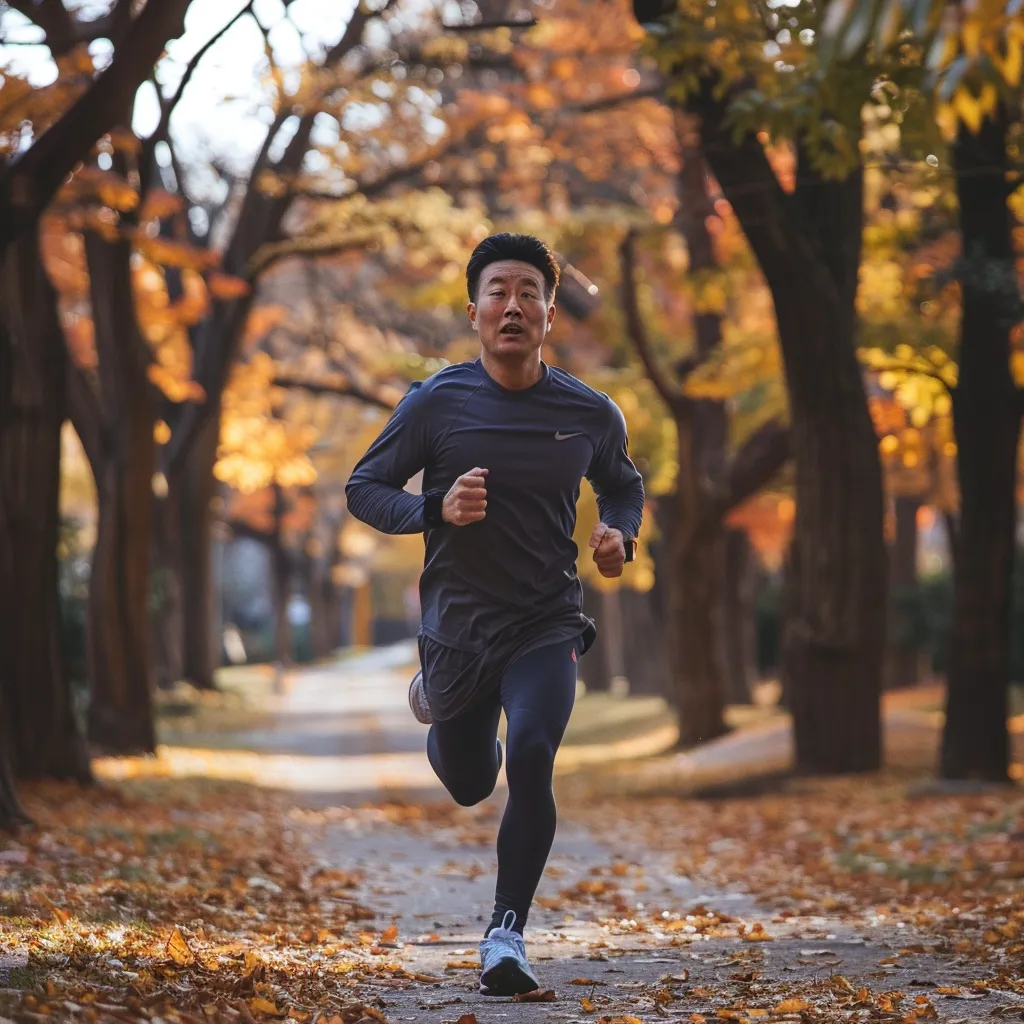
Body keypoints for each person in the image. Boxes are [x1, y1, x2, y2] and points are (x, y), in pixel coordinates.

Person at [345, 232, 644, 996]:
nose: (513, 306)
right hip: (459, 630)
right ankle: (433, 699)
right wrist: (433, 509)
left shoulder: (588, 412)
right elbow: (363, 487)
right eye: (497, 292)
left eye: (529, 293)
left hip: (545, 620)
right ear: (475, 308)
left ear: (549, 312)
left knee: (535, 750)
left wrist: (618, 533)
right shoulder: (436, 402)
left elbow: (622, 484)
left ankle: (504, 935)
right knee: (473, 781)